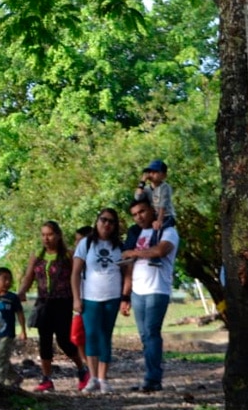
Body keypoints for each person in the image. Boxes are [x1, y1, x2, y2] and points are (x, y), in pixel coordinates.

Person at [19, 221, 91, 392]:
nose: (46, 238)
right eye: (43, 235)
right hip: (44, 303)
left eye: (50, 234)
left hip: (63, 302)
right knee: (44, 341)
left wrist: (79, 299)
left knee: (64, 340)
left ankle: (82, 370)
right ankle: (46, 379)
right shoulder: (37, 256)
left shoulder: (68, 256)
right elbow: (29, 277)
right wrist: (21, 292)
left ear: (58, 236)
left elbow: (78, 277)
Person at [121, 199, 180, 392]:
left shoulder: (167, 231)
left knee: (152, 332)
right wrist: (125, 295)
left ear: (152, 211)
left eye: (142, 211)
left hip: (157, 289)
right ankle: (149, 375)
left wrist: (135, 253)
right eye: (135, 214)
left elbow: (160, 250)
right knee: (144, 335)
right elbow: (128, 265)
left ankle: (153, 378)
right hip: (138, 291)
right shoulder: (136, 234)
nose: (139, 217)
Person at [72, 208, 128, 394]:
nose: (107, 224)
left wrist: (125, 298)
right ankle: (92, 377)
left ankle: (104, 379)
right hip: (90, 297)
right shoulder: (86, 244)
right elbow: (75, 273)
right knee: (91, 335)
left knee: (106, 336)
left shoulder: (119, 246)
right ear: (97, 222)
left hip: (112, 297)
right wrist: (76, 298)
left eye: (111, 221)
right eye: (103, 220)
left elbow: (126, 272)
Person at [134, 159, 175, 266]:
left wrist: (159, 221)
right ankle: (149, 256)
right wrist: (142, 181)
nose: (152, 174)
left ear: (163, 175)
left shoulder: (165, 187)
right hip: (155, 217)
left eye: (156, 172)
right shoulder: (147, 189)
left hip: (166, 216)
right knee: (149, 233)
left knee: (157, 232)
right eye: (150, 172)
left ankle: (156, 259)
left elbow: (163, 205)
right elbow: (137, 197)